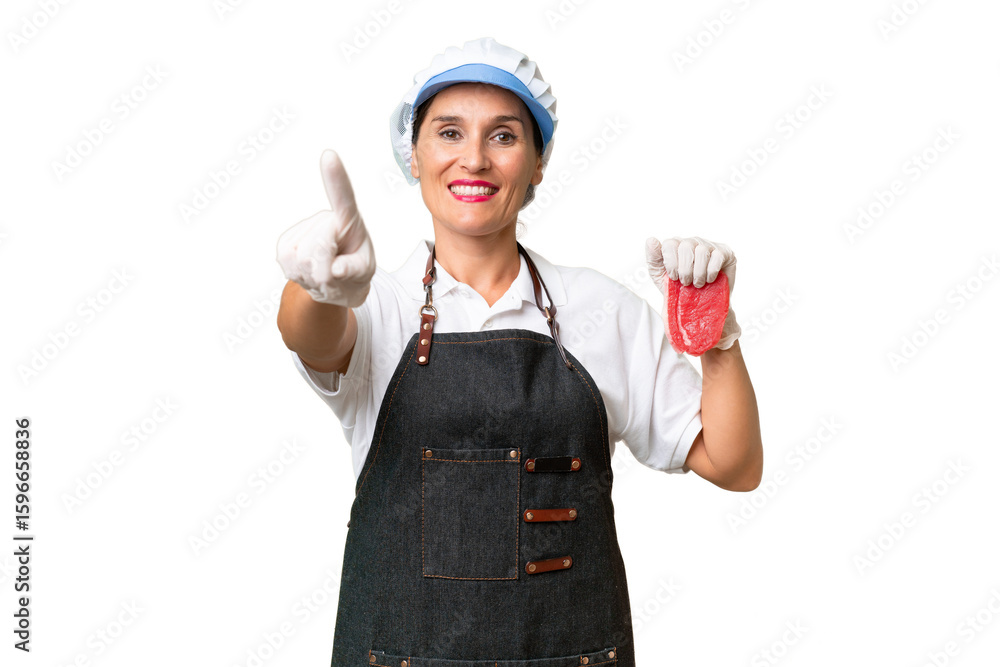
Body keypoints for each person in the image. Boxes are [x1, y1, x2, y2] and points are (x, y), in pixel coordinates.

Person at [275, 37, 762, 667]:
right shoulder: (379, 305)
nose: (474, 159)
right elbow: (312, 335)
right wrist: (318, 289)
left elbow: (734, 464)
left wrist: (716, 338)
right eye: (449, 133)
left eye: (503, 136)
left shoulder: (600, 309)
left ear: (537, 163)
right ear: (413, 156)